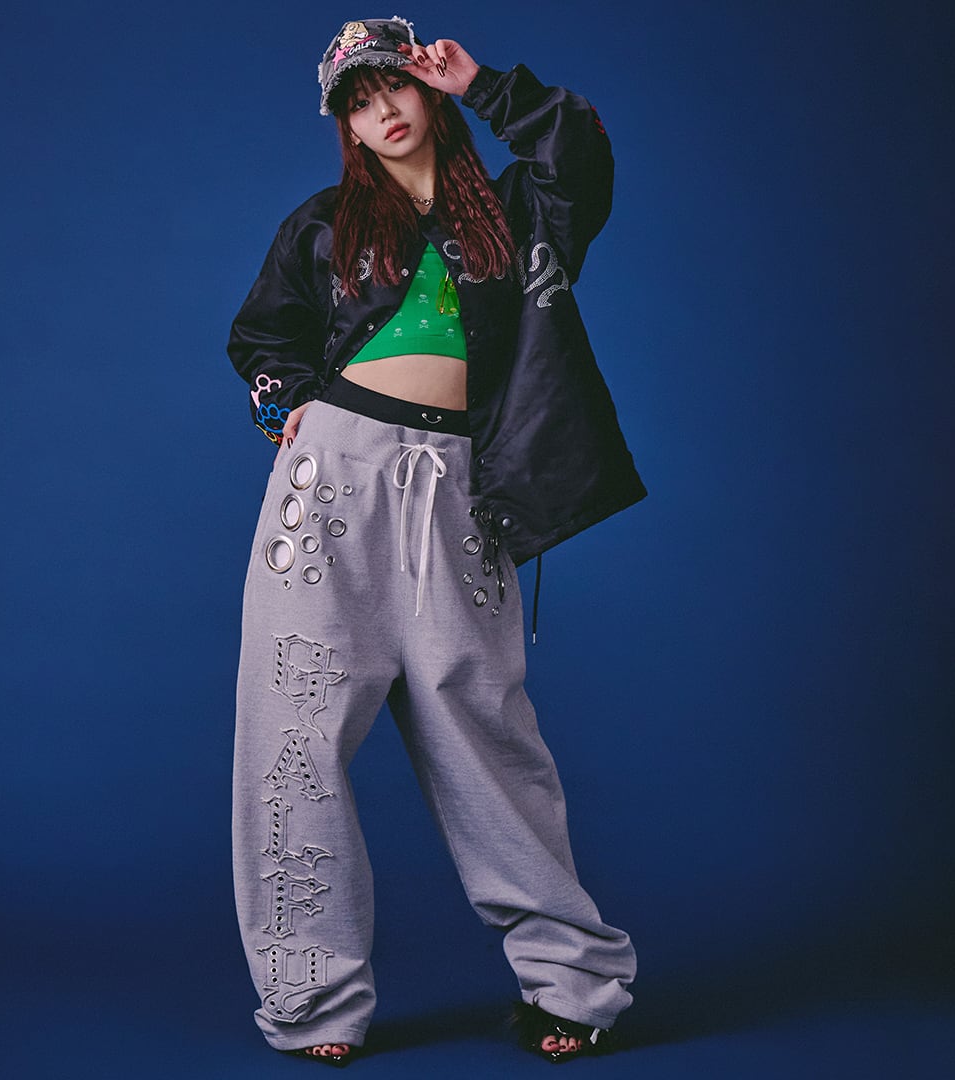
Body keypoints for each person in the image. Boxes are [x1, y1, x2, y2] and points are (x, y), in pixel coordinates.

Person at [227, 16, 646, 1066]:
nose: (385, 111)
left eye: (399, 88)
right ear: (347, 128)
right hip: (333, 481)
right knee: (294, 736)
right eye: (361, 103)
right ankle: (312, 1001)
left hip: (463, 487)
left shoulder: (517, 214)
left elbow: (582, 157)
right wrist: (286, 402)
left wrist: (488, 83)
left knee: (488, 734)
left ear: (429, 91)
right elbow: (261, 335)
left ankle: (573, 987)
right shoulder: (323, 224)